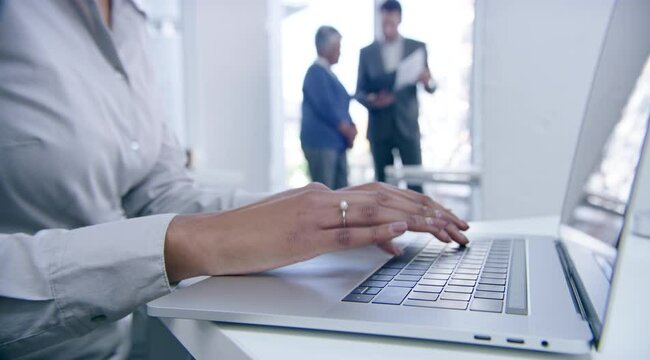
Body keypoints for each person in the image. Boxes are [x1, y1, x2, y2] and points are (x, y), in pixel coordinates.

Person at [0, 1, 469, 359]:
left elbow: (162, 192)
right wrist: (191, 242)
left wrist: (318, 212)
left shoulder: (130, 20)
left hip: (128, 339)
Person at [356, 0, 436, 193]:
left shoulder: (416, 48)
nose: (387, 26)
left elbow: (432, 86)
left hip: (407, 127)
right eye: (384, 22)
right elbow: (359, 92)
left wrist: (428, 81)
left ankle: (418, 223)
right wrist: (374, 101)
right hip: (380, 128)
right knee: (383, 188)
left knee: (415, 184)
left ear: (399, 19)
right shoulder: (367, 53)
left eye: (391, 21)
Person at [300, 26, 357, 189]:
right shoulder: (315, 73)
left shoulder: (329, 74)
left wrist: (352, 128)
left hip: (336, 144)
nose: (340, 51)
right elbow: (326, 106)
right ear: (327, 47)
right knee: (325, 194)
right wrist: (346, 129)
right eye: (338, 46)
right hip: (321, 144)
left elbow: (341, 106)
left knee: (340, 195)